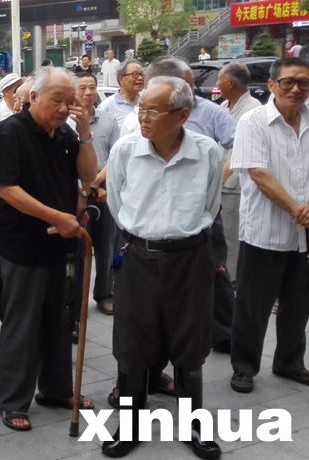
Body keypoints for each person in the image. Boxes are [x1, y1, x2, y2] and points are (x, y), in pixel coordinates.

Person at [104, 76, 223, 459]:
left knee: (190, 343)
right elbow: (117, 203)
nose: (143, 117)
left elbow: (210, 206)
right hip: (138, 258)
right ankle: (131, 424)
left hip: (190, 259)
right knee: (133, 343)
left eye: (153, 111)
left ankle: (193, 426)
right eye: (141, 108)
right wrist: (145, 235)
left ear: (182, 115)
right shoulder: (126, 149)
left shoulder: (207, 152)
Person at [0, 66, 96, 431]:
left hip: (59, 241)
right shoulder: (11, 131)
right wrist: (56, 216)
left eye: (70, 101)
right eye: (57, 100)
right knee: (22, 323)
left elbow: (87, 175)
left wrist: (84, 132)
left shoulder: (65, 133)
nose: (64, 108)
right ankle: (12, 401)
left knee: (57, 320)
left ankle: (55, 389)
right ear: (33, 97)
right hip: (24, 242)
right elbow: (6, 189)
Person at [229, 57, 309, 394]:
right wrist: (296, 209)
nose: (296, 88)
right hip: (264, 231)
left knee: (299, 302)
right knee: (253, 305)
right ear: (273, 85)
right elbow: (258, 173)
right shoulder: (253, 121)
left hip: (304, 235)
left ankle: (289, 361)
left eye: (303, 82)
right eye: (288, 81)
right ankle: (244, 367)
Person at [70, 73, 120, 315]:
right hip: (77, 191)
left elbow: (115, 155)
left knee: (106, 246)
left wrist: (98, 183)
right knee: (78, 246)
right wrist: (89, 186)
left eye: (92, 87)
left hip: (104, 192)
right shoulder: (67, 121)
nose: (88, 92)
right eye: (82, 88)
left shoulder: (109, 120)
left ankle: (104, 294)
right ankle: (75, 297)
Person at [216, 63, 261, 283]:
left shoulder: (253, 109)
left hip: (235, 183)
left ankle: (231, 280)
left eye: (219, 79)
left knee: (231, 235)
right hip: (219, 181)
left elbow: (247, 147)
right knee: (223, 233)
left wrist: (228, 167)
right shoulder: (223, 106)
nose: (216, 84)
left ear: (231, 83)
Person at [99, 60, 144, 127]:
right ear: (121, 79)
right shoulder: (106, 107)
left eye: (142, 74)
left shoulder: (146, 102)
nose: (140, 78)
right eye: (135, 74)